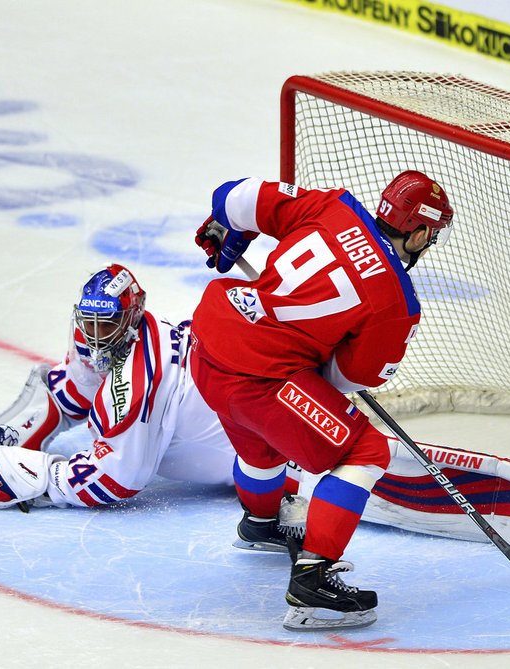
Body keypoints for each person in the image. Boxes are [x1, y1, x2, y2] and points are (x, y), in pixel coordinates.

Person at [0, 264, 510, 561]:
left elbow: (116, 480)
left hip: (259, 423)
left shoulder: (132, 384)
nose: (90, 333)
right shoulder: (116, 340)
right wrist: (39, 418)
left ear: (131, 318)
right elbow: (73, 383)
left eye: (102, 323)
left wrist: (29, 476)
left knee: (371, 473)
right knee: (367, 459)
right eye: (86, 322)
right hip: (254, 388)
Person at [189, 171, 467, 630]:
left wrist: (225, 230)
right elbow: (348, 377)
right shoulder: (398, 302)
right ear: (418, 232)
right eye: (430, 235)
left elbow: (234, 196)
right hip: (260, 377)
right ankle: (313, 577)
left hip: (207, 342)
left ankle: (261, 522)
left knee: (263, 440)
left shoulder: (332, 207)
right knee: (367, 450)